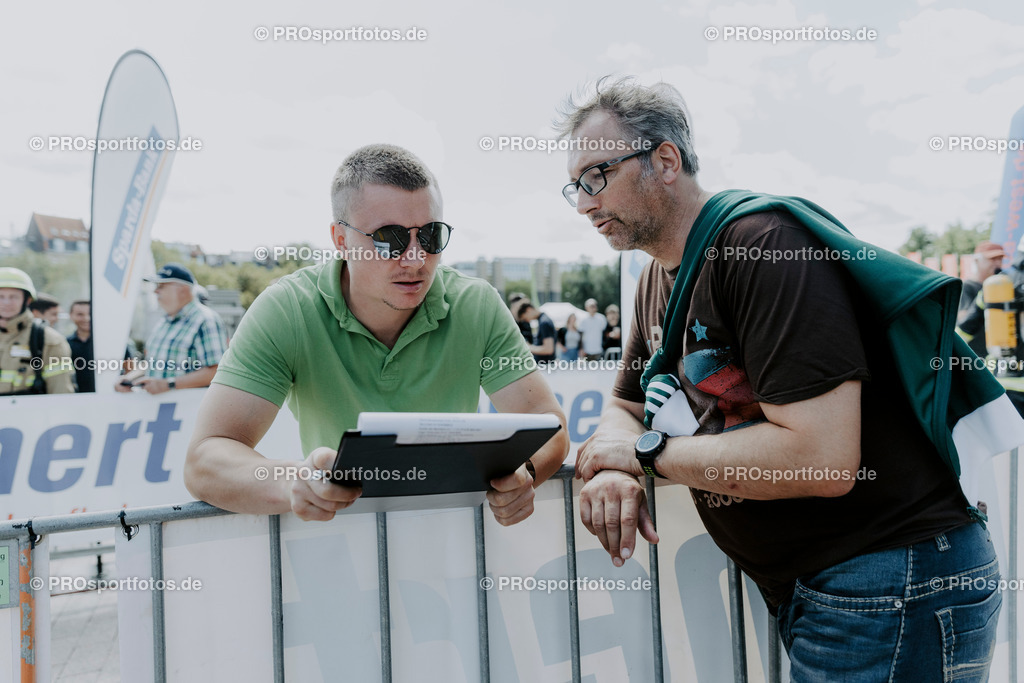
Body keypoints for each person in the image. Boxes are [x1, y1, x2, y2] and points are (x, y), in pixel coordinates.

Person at [557, 77, 1021, 680]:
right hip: (847, 585)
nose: (586, 203)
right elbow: (625, 404)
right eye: (575, 187)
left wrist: (649, 454)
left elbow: (821, 458)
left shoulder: (763, 247)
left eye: (598, 176)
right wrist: (617, 460)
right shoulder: (658, 277)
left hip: (892, 581)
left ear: (665, 160)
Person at [185, 144, 569, 526]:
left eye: (431, 236)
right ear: (340, 240)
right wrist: (294, 483)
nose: (416, 259)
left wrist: (525, 475)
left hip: (456, 543)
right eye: (390, 238)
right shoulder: (287, 309)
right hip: (339, 544)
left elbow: (547, 424)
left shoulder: (476, 304)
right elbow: (205, 459)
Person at [116, 263, 228, 394]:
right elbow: (152, 363)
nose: (155, 291)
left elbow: (217, 372)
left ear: (183, 290)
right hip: (160, 410)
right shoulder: (164, 321)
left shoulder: (206, 320)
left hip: (187, 411)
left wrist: (168, 384)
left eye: (161, 286)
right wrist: (128, 379)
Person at [0, 268, 74, 394]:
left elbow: (61, 393)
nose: (6, 303)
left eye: (14, 297)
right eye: (0, 296)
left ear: (27, 300)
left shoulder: (49, 340)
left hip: (29, 413)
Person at [957, 241, 1007, 357]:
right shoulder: (967, 287)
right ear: (977, 261)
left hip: (1000, 353)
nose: (997, 263)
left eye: (1000, 259)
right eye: (992, 259)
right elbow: (962, 320)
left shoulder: (1004, 287)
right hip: (977, 356)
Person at [67, 299, 94, 392]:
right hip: (74, 398)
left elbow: (129, 367)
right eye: (80, 314)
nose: (86, 318)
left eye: (90, 313)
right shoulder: (65, 344)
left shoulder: (110, 342)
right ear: (71, 316)